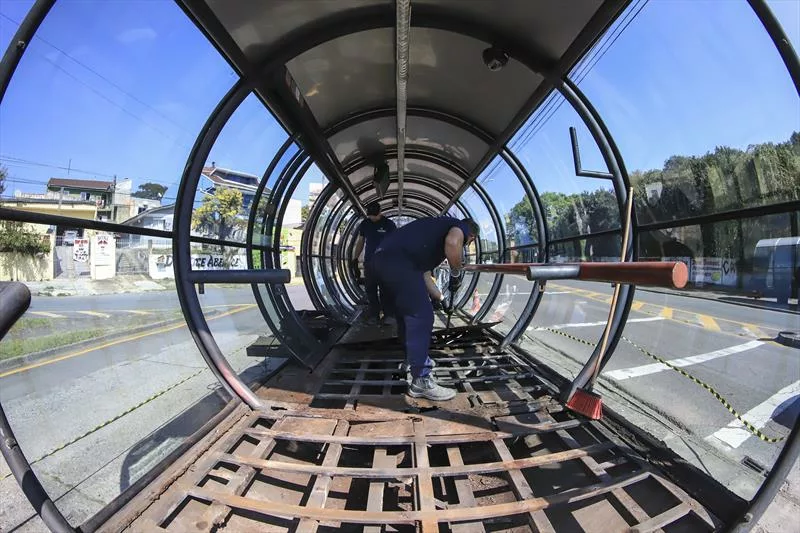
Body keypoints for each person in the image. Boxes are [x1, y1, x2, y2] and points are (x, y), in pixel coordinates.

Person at [373, 216, 479, 401]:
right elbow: (453, 242)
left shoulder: (430, 233)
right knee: (421, 317)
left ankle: (411, 360)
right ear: (471, 236)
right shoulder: (459, 228)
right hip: (399, 263)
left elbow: (422, 274)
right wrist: (456, 271)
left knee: (406, 314)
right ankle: (421, 380)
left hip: (382, 261)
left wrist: (439, 297)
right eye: (468, 242)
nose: (465, 245)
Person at [351, 202, 396, 323]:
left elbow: (394, 243)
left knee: (385, 289)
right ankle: (374, 315)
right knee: (370, 289)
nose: (372, 218)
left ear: (380, 212)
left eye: (374, 216)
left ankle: (388, 315)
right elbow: (361, 242)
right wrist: (355, 257)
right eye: (370, 216)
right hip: (369, 262)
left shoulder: (389, 225)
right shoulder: (365, 224)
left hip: (385, 263)